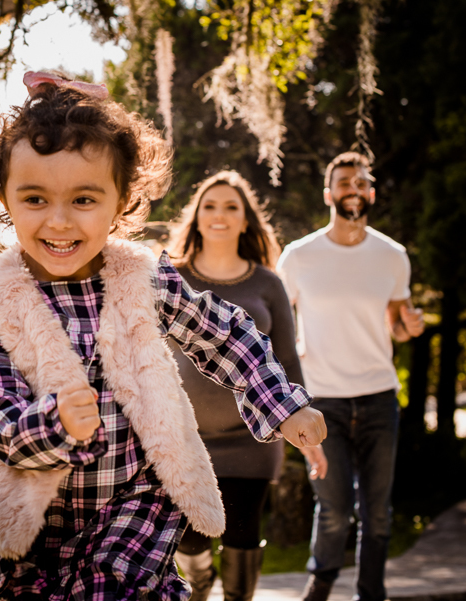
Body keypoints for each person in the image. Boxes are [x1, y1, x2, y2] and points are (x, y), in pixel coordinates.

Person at [0, 71, 327, 601]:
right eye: (35, 198)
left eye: (84, 199)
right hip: (44, 520)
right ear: (3, 197)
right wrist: (54, 422)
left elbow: (226, 336)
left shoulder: (141, 279)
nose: (59, 222)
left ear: (122, 200)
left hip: (138, 501)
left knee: (114, 588)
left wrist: (282, 405)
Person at [166, 171, 324, 601]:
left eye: (231, 207)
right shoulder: (170, 278)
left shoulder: (268, 284)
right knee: (189, 538)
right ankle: (199, 586)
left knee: (242, 532)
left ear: (245, 220)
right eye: (210, 206)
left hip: (253, 440)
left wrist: (304, 431)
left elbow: (287, 361)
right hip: (181, 439)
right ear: (196, 217)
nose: (219, 215)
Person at [276, 152, 425, 601]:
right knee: (335, 508)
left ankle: (371, 593)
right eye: (344, 182)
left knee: (377, 513)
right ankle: (319, 588)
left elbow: (397, 324)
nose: (353, 190)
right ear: (329, 194)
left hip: (379, 398)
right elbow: (278, 326)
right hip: (322, 402)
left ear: (371, 193)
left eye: (361, 183)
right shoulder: (298, 256)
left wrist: (410, 326)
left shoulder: (392, 256)